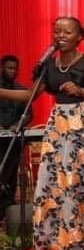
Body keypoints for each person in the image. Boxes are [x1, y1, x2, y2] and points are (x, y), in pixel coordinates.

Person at [0, 17, 84, 250]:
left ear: (79, 36)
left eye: (67, 32)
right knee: (57, 184)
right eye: (57, 31)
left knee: (83, 184)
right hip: (59, 125)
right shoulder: (49, 64)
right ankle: (60, 241)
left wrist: (80, 91)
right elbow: (30, 95)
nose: (61, 36)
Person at [0, 55, 32, 220]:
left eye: (15, 69)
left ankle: (8, 213)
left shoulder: (21, 90)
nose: (12, 71)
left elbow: (28, 114)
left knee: (10, 177)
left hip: (12, 142)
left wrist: (18, 124)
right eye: (9, 68)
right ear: (2, 68)